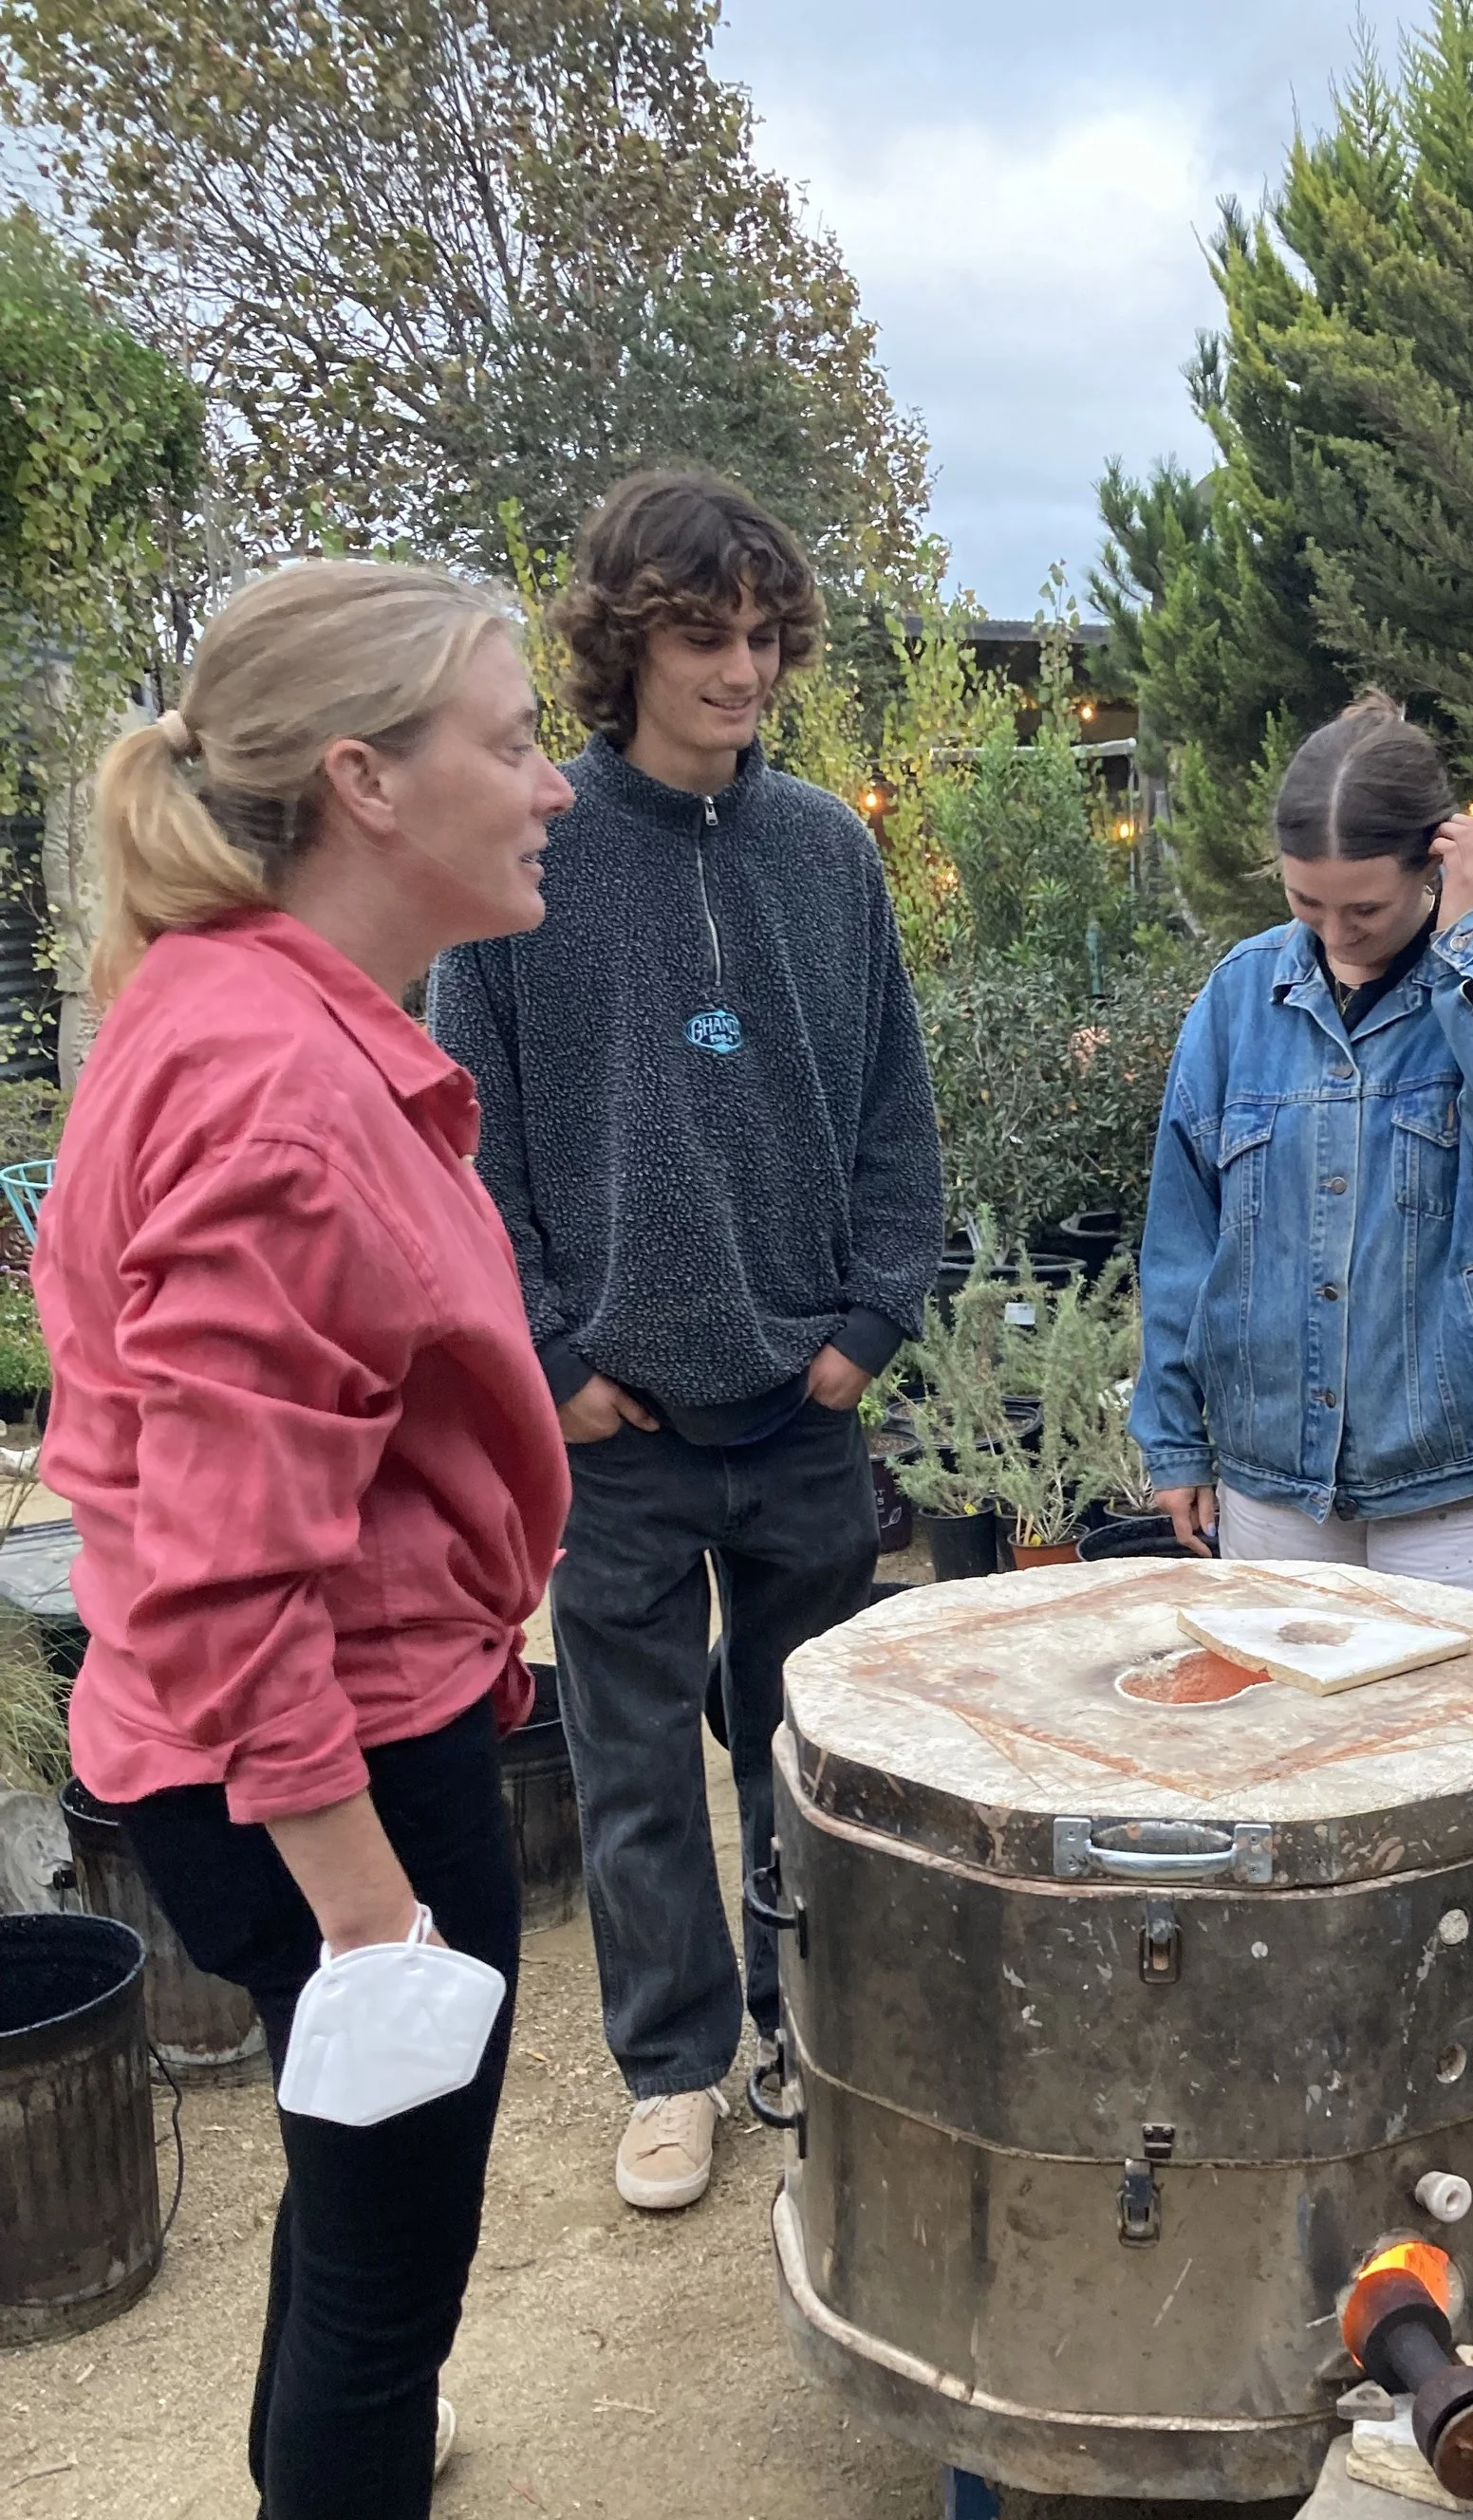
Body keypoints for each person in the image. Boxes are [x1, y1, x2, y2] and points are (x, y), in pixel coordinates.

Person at [35, 559, 650, 2520]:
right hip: (323, 1762)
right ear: (368, 782)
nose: (552, 781)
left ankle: (308, 2503)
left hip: (291, 1734)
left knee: (343, 2174)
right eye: (511, 737)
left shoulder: (231, 1010)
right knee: (394, 2239)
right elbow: (225, 1570)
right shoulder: (274, 1091)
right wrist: (369, 1908)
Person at [430, 472, 942, 2216]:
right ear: (625, 643)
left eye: (763, 635)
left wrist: (871, 1320)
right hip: (616, 1421)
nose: (742, 670)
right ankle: (673, 2066)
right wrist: (549, 1358)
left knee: (810, 1749)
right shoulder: (537, 854)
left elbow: (895, 1106)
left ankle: (810, 2024)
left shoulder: (828, 852)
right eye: (702, 636)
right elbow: (469, 1143)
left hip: (803, 1402)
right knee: (633, 1764)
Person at [1129, 694, 1473, 2270]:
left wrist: (1472, 949)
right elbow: (1183, 1224)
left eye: (1367, 908)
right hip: (1277, 1472)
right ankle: (1305, 2109)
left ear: (1440, 863)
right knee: (1283, 1801)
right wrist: (1174, 1431)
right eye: (1309, 906)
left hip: (1464, 1475)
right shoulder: (1242, 997)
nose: (1337, 937)